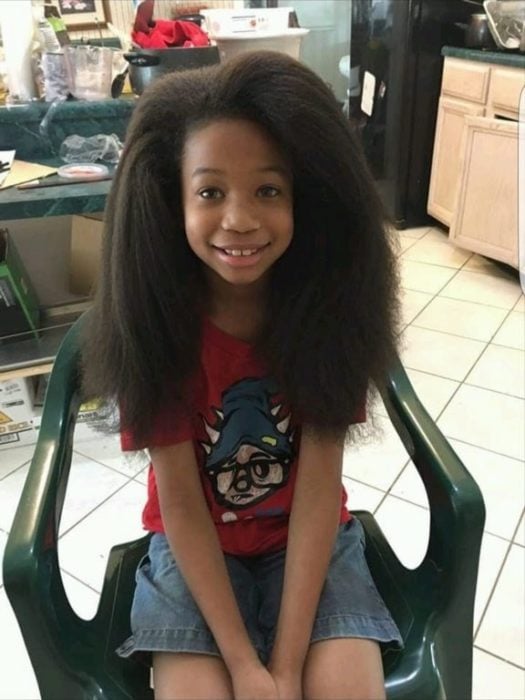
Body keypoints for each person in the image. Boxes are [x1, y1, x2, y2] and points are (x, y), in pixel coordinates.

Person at [81, 50, 402, 700]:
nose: (239, 219)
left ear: (303, 198)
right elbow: (181, 505)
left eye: (267, 189)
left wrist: (283, 668)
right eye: (209, 191)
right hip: (195, 548)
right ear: (170, 201)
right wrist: (243, 666)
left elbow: (318, 489)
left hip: (309, 542)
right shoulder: (159, 326)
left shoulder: (324, 314)